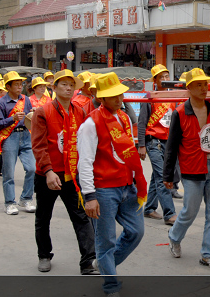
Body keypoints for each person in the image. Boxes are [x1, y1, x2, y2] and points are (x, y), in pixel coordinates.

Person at [163, 68, 210, 270]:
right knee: (190, 211)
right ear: (189, 87)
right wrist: (168, 175)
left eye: (205, 84)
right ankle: (174, 237)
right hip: (192, 169)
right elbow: (171, 146)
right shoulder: (179, 113)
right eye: (199, 84)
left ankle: (208, 254)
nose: (204, 88)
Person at [78, 72, 147, 297]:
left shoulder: (124, 118)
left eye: (120, 94)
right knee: (105, 241)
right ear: (101, 98)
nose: (119, 99)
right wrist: (89, 196)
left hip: (128, 186)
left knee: (136, 232)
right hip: (104, 189)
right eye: (113, 96)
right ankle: (111, 285)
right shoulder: (90, 124)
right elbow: (85, 162)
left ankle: (105, 265)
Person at [31, 69, 98, 274]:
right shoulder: (43, 112)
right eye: (63, 84)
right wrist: (49, 171)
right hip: (47, 176)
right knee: (43, 218)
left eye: (71, 85)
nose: (68, 88)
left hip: (72, 176)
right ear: (55, 87)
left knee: (80, 217)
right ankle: (44, 255)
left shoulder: (80, 112)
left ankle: (88, 261)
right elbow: (39, 145)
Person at [137, 64, 178, 225]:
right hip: (153, 142)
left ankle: (149, 208)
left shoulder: (173, 96)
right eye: (162, 77)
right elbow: (142, 123)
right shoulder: (150, 97)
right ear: (155, 80)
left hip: (167, 142)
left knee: (157, 176)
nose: (165, 79)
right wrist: (141, 145)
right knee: (162, 177)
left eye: (167, 76)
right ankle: (169, 213)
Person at [0, 71, 36, 215]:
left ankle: (26, 198)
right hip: (10, 137)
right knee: (9, 172)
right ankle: (10, 202)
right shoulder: (0, 103)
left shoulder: (26, 99)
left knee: (32, 168)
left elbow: (30, 116)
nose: (19, 87)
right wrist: (13, 119)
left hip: (25, 135)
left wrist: (34, 113)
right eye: (16, 84)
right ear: (8, 87)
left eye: (21, 84)